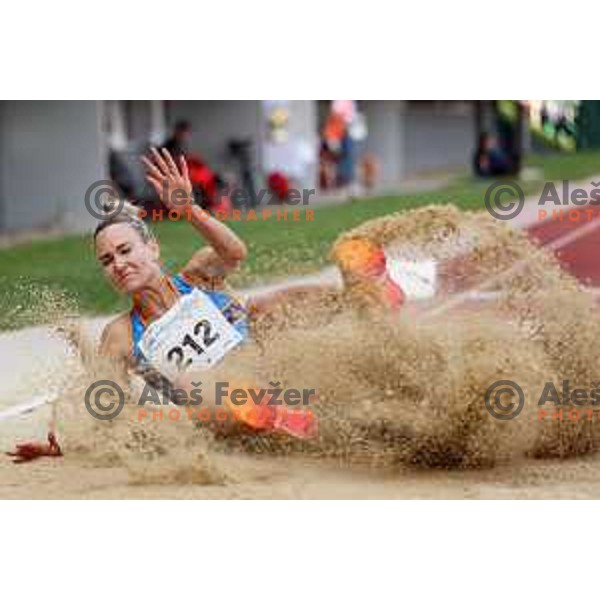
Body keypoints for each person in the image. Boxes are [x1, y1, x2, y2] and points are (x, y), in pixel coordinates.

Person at [6, 148, 407, 462]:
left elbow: (234, 252)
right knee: (194, 383)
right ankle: (262, 410)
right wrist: (64, 442)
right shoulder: (122, 335)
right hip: (220, 413)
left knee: (262, 307)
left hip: (270, 367)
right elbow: (105, 400)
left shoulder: (197, 275)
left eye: (126, 250)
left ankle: (364, 295)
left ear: (152, 247)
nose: (119, 264)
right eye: (107, 261)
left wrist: (190, 211)